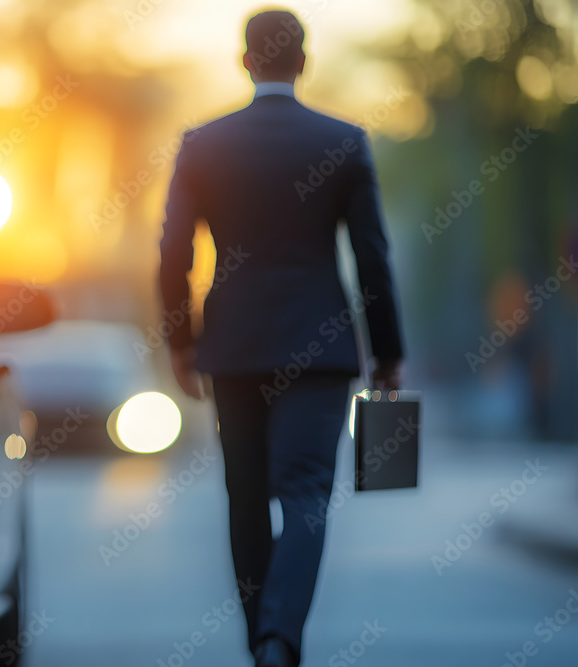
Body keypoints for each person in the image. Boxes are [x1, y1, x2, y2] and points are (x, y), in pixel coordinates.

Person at [158, 9, 405, 667]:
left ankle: (262, 640)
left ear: (244, 62)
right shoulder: (343, 142)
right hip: (320, 350)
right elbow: (372, 256)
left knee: (244, 496)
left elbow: (172, 255)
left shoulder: (202, 144)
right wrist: (389, 353)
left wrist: (180, 342)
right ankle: (280, 636)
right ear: (303, 62)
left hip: (234, 349)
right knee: (305, 494)